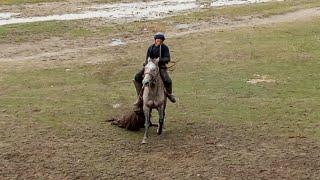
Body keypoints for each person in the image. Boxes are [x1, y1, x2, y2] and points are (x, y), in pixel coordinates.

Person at [133, 32, 176, 110]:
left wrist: (160, 60)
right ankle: (139, 97)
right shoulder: (151, 48)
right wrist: (147, 62)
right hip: (150, 67)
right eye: (157, 39)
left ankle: (169, 94)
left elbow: (167, 58)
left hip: (160, 67)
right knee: (137, 77)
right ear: (155, 40)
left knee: (167, 80)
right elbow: (147, 58)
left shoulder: (164, 48)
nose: (158, 41)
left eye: (160, 39)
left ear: (162, 40)